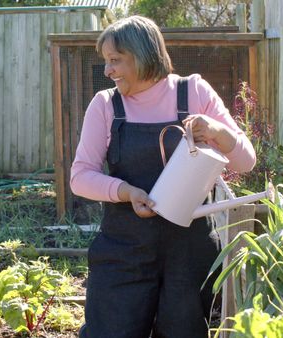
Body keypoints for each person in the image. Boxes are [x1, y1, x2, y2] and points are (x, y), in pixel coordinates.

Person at [70, 16, 256, 337]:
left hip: (189, 250)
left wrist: (216, 131)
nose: (107, 70)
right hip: (123, 248)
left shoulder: (194, 91)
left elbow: (246, 160)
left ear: (142, 55)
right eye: (106, 62)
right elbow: (80, 176)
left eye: (115, 61)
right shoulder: (105, 105)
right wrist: (125, 191)